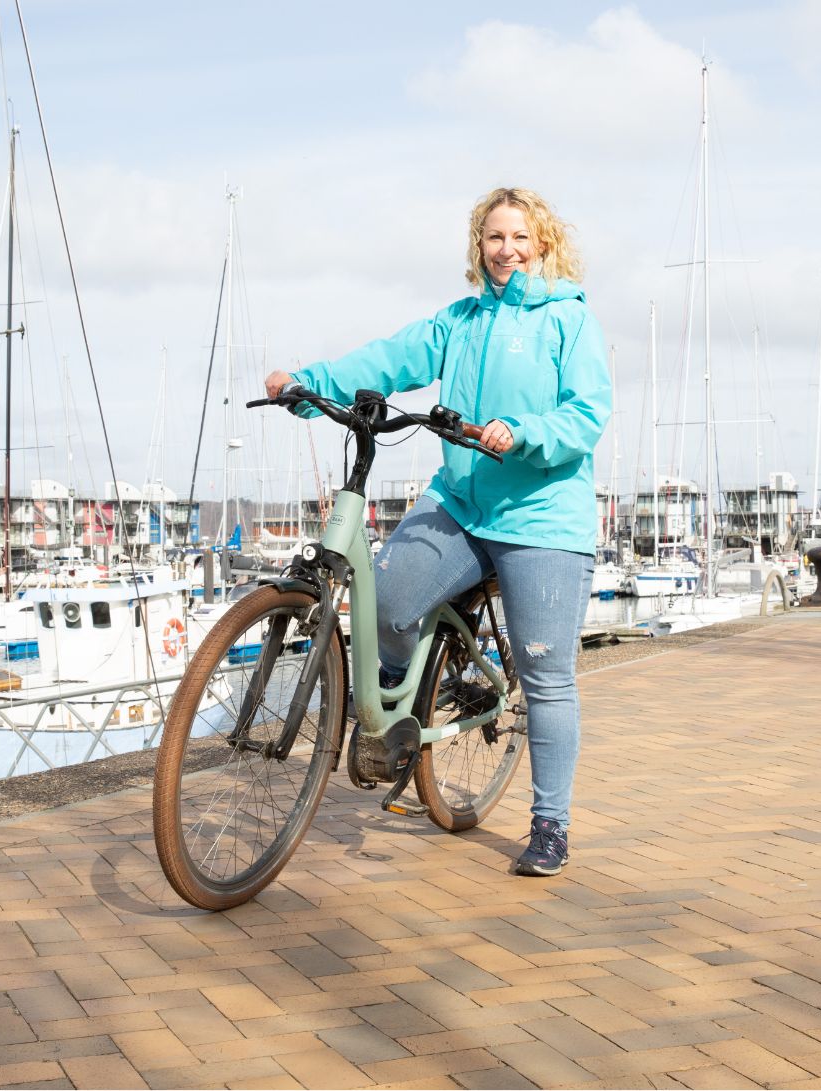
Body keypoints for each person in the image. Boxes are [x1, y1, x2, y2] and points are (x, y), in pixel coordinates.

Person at [264, 186, 611, 876]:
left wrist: (527, 433)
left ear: (542, 243)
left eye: (519, 237)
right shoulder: (461, 319)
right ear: (477, 248)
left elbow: (587, 412)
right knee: (387, 599)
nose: (505, 249)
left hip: (542, 513)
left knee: (545, 673)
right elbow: (390, 359)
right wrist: (308, 382)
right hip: (460, 500)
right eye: (493, 238)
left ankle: (551, 824)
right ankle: (394, 708)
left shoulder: (569, 320)